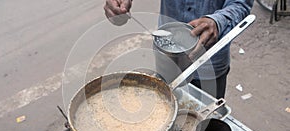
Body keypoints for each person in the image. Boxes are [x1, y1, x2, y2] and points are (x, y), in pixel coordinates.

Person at [104, 0, 254, 99]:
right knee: (164, 106)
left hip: (209, 62)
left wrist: (217, 21)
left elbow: (240, 4)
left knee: (205, 124)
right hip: (166, 56)